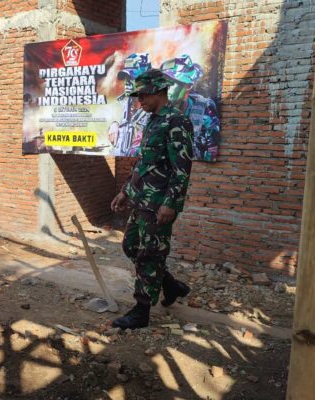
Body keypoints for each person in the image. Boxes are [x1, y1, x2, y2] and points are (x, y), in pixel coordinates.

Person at [110, 69, 193, 330]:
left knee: (149, 254)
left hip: (159, 204)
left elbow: (182, 168)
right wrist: (125, 191)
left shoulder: (176, 121)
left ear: (159, 92)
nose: (139, 101)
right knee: (131, 246)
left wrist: (171, 203)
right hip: (141, 199)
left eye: (143, 95)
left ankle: (141, 311)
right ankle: (171, 285)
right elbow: (143, 163)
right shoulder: (153, 122)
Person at [160, 55, 220, 161]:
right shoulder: (155, 109)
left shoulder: (203, 108)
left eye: (172, 83)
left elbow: (212, 152)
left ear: (187, 86)